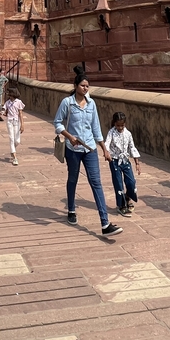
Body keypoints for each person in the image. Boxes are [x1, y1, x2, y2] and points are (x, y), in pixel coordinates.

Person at [53, 67, 123, 237]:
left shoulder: (92, 104)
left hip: (90, 148)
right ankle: (71, 209)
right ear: (76, 85)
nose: (85, 88)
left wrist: (104, 149)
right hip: (73, 149)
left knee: (96, 182)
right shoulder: (67, 103)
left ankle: (105, 223)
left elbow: (96, 128)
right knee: (73, 179)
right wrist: (69, 137)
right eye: (83, 85)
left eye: (87, 86)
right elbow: (57, 123)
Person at [105, 112, 141, 217]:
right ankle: (121, 205)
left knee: (131, 182)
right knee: (118, 183)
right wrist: (107, 153)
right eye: (118, 125)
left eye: (122, 125)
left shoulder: (128, 134)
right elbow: (107, 143)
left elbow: (132, 147)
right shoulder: (111, 133)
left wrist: (137, 162)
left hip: (125, 160)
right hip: (115, 161)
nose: (120, 127)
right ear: (114, 123)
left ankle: (128, 197)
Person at [3, 87, 25, 165]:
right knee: (11, 138)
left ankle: (13, 149)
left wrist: (22, 125)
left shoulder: (18, 102)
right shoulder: (7, 102)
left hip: (16, 121)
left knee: (17, 140)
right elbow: (4, 111)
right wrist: (2, 113)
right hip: (9, 121)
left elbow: (21, 114)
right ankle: (15, 157)